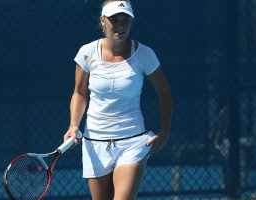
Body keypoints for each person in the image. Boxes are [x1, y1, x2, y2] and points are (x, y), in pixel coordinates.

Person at [63, 0, 173, 199]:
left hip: (132, 141)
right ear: (102, 21)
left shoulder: (144, 55)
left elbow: (165, 92)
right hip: (94, 142)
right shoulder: (87, 53)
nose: (121, 26)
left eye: (126, 20)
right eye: (115, 20)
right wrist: (73, 125)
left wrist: (165, 132)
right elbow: (79, 94)